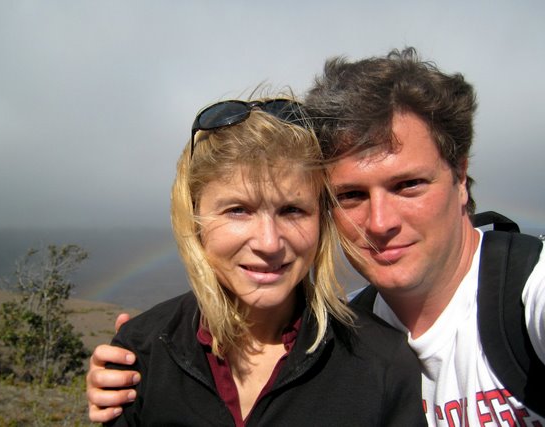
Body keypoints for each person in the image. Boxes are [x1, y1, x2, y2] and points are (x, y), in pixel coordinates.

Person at [87, 49, 545, 425]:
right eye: (350, 195)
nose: (381, 221)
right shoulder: (357, 321)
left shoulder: (527, 294)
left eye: (408, 185)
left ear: (460, 176)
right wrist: (146, 358)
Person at [93, 96, 426, 426]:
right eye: (238, 210)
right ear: (194, 218)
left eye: (292, 210)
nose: (269, 243)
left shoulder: (380, 362)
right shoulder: (141, 352)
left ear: (321, 221)